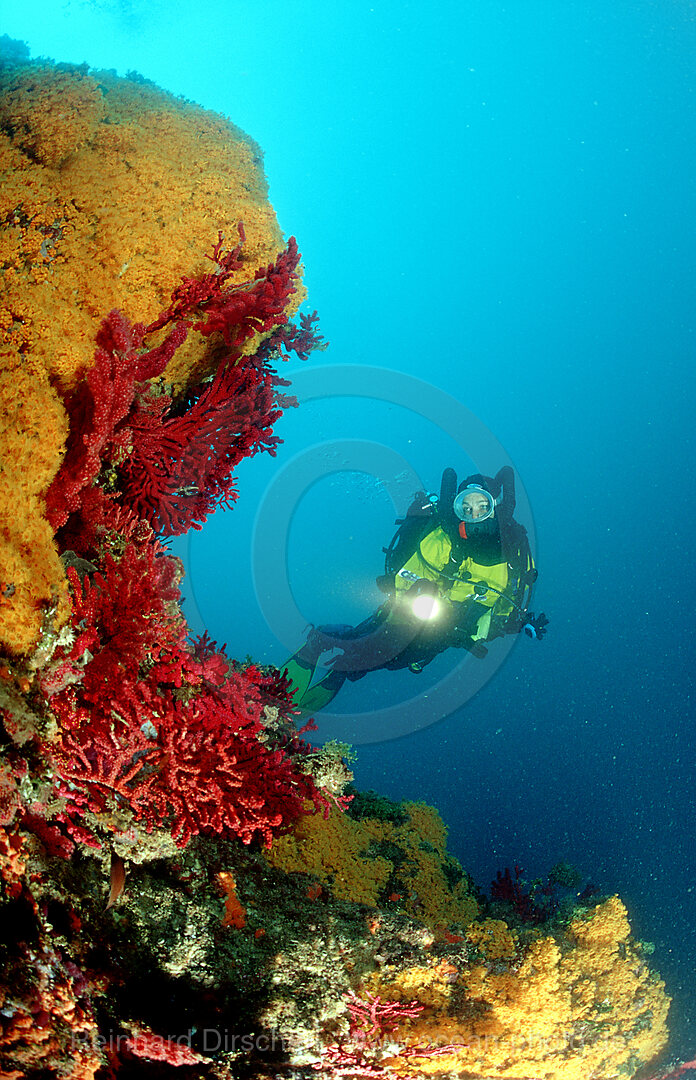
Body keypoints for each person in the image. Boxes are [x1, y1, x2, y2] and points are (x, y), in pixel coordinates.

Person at [282, 465, 548, 713]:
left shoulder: (514, 550)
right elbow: (404, 575)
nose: (473, 514)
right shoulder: (444, 537)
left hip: (448, 634)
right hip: (410, 615)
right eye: (465, 507)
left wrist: (518, 622)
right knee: (367, 652)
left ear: (495, 507)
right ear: (455, 508)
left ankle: (340, 669)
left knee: (390, 663)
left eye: (482, 506)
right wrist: (420, 590)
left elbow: (507, 601)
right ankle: (321, 644)